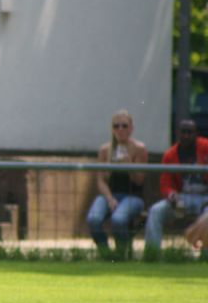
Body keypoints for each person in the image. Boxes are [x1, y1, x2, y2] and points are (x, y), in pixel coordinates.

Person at [85, 110, 148, 260]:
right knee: (93, 219)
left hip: (133, 196)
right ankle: (105, 253)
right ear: (112, 129)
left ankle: (120, 254)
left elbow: (140, 180)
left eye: (124, 126)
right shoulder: (105, 150)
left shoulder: (139, 148)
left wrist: (129, 166)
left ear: (131, 128)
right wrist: (109, 199)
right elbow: (100, 180)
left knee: (118, 219)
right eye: (116, 126)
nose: (120, 129)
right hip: (110, 194)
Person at [144, 119, 208, 259]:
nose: (186, 136)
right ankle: (152, 255)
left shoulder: (205, 147)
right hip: (182, 197)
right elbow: (166, 184)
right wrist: (172, 196)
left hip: (205, 197)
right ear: (178, 134)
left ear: (196, 134)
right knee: (156, 210)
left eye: (190, 132)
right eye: (183, 132)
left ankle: (205, 256)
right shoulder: (170, 155)